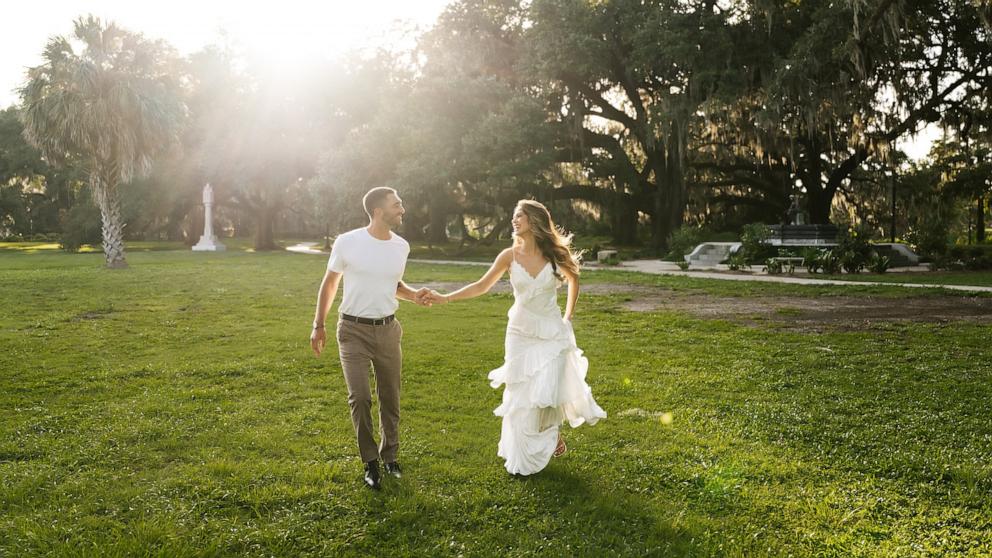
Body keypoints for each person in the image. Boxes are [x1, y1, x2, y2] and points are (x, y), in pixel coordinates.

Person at [425, 200, 606, 475]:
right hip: (520, 333)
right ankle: (524, 454)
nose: (514, 220)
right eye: (514, 216)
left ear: (533, 221)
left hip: (551, 334)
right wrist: (445, 298)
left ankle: (549, 434)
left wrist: (567, 317)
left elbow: (574, 278)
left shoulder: (554, 254)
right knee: (521, 395)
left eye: (519, 216)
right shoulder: (508, 256)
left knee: (547, 391)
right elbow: (481, 285)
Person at [310, 187, 432, 490]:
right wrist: (318, 325)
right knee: (361, 397)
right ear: (378, 210)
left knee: (390, 397)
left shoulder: (401, 246)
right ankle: (370, 462)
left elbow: (394, 284)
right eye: (397, 205)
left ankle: (390, 457)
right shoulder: (348, 242)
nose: (402, 209)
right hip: (352, 331)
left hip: (388, 330)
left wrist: (413, 295)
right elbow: (329, 285)